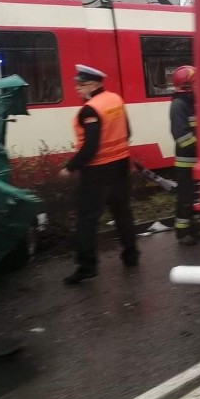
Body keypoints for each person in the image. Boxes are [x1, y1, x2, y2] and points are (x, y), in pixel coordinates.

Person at [59, 64, 139, 284]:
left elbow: (91, 147)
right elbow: (128, 132)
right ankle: (131, 255)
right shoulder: (115, 100)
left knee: (87, 218)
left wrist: (70, 166)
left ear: (94, 84)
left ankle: (87, 266)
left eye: (81, 84)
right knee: (122, 212)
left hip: (97, 171)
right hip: (121, 165)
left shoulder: (89, 109)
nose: (77, 89)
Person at [170, 65, 200, 246]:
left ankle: (196, 229)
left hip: (197, 161)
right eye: (197, 84)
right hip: (186, 161)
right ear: (188, 85)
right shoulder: (179, 105)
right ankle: (182, 233)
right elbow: (182, 136)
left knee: (197, 196)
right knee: (185, 197)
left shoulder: (191, 103)